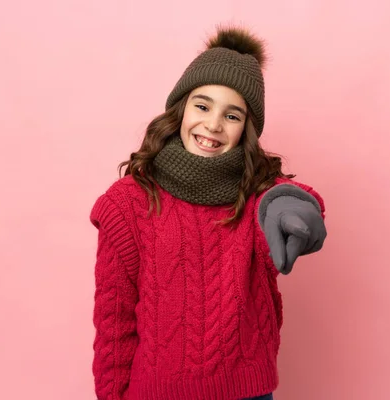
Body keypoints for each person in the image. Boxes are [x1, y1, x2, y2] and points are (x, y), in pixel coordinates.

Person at [89, 25, 327, 400]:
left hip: (247, 393)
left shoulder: (254, 195)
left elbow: (287, 195)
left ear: (246, 128)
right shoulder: (128, 203)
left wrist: (288, 204)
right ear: (181, 109)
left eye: (232, 116)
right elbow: (114, 323)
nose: (213, 124)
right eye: (202, 106)